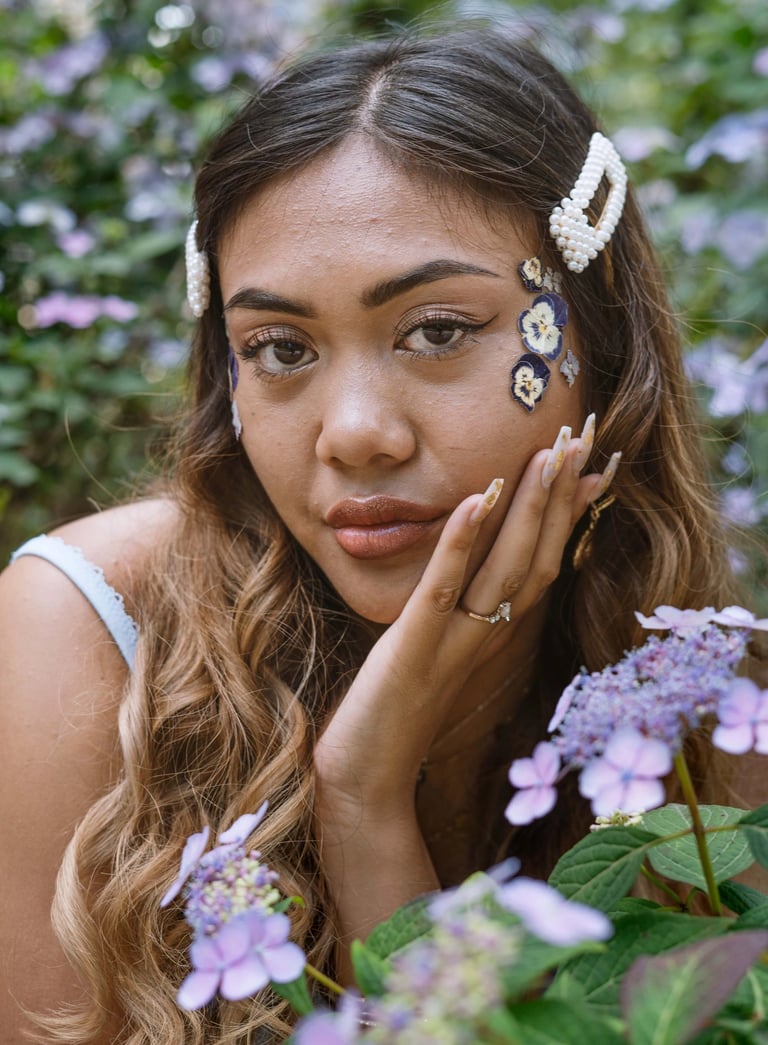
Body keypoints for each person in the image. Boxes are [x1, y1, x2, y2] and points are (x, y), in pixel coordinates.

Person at [0, 24, 761, 1045]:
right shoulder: (83, 633)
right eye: (278, 348)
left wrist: (364, 807)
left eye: (438, 332)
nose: (356, 433)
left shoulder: (695, 684)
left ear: (599, 336)